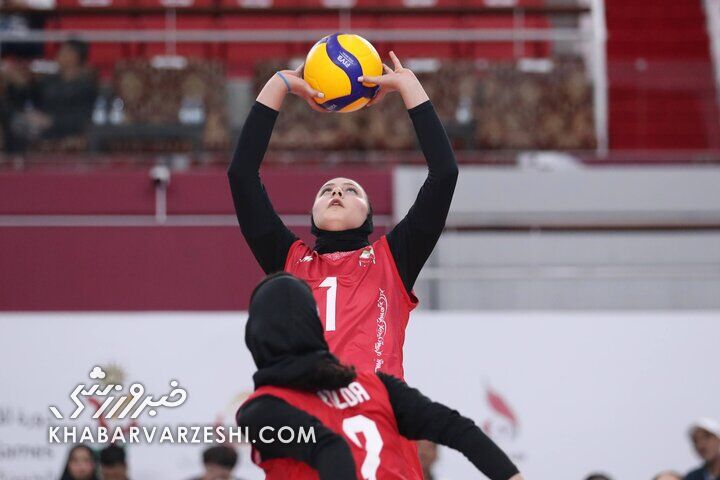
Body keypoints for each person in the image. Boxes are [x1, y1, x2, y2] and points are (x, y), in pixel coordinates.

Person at [228, 49, 458, 380]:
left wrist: (409, 87)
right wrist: (277, 86)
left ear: (368, 215)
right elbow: (242, 176)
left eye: (351, 190)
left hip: (374, 405)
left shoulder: (392, 260)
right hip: (309, 406)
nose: (336, 193)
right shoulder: (289, 261)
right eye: (326, 191)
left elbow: (444, 174)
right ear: (312, 213)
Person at [235, 272, 524, 480]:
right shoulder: (377, 386)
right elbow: (456, 427)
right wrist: (511, 475)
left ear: (255, 337)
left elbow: (330, 447)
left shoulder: (260, 411)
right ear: (315, 327)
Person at [5, 38, 97, 150]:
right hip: (40, 129)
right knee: (16, 122)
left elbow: (83, 118)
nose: (58, 55)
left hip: (67, 131)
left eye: (63, 51)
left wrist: (52, 121)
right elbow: (29, 98)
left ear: (74, 56)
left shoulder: (86, 86)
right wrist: (19, 84)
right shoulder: (48, 81)